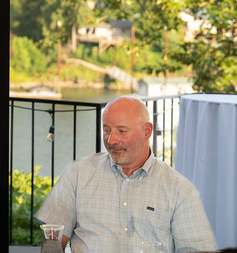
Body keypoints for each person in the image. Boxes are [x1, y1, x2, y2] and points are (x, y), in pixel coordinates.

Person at [36, 95, 216, 253]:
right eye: (106, 130)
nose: (111, 139)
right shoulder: (77, 174)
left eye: (121, 131)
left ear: (147, 131)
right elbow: (53, 240)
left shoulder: (179, 190)